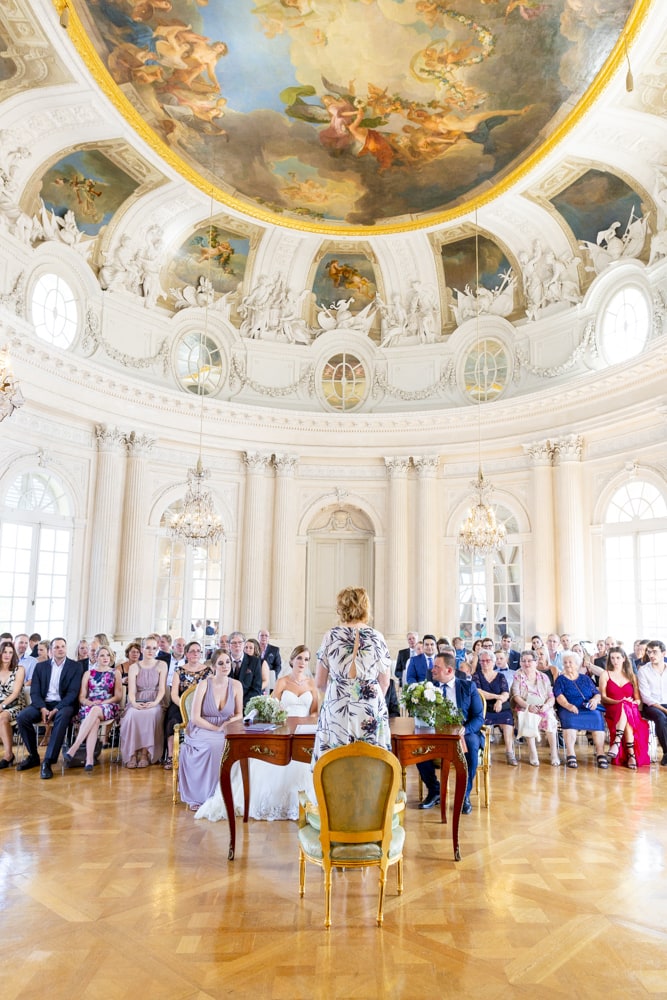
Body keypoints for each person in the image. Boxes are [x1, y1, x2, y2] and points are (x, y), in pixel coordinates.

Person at [313, 586, 391, 766]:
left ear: (342, 608)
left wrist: (338, 691)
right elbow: (385, 683)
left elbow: (319, 682)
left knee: (334, 763)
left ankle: (334, 795)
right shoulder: (377, 637)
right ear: (366, 608)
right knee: (370, 763)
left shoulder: (331, 636)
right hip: (370, 705)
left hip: (337, 704)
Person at [417, 651, 485, 814]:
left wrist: (466, 729)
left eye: (436, 667)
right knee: (417, 747)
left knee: (472, 744)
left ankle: (464, 795)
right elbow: (421, 715)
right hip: (436, 733)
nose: (432, 670)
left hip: (463, 732)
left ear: (449, 670)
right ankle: (434, 791)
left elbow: (478, 717)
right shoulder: (428, 688)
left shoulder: (468, 687)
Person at [179, 649, 243, 811]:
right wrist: (216, 728)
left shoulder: (236, 685)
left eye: (227, 662)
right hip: (203, 727)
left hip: (226, 728)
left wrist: (228, 723)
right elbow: (195, 718)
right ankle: (204, 795)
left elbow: (239, 714)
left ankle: (227, 793)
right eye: (220, 663)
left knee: (233, 746)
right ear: (213, 666)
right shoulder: (203, 685)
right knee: (212, 747)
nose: (225, 666)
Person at [16, 637, 83, 778]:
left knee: (62, 716)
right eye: (57, 647)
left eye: (63, 646)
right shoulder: (41, 666)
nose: (60, 649)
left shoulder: (76, 666)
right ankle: (33, 756)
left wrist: (56, 709)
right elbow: (34, 691)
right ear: (51, 650)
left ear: (66, 648)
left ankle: (48, 761)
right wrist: (42, 708)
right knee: (22, 717)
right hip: (43, 704)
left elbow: (73, 693)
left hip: (64, 705)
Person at [64, 645, 122, 771]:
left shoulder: (115, 672)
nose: (105, 658)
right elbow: (82, 697)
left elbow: (118, 697)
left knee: (95, 711)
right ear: (96, 657)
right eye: (102, 655)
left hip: (109, 705)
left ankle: (75, 747)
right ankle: (89, 759)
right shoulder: (88, 673)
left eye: (108, 655)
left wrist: (102, 703)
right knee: (94, 720)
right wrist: (90, 703)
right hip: (90, 707)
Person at [553, 651, 608, 769]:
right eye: (565, 662)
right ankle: (571, 753)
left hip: (587, 707)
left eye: (570, 662)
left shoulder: (585, 679)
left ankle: (600, 753)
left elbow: (596, 693)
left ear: (577, 664)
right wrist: (568, 706)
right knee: (570, 720)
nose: (567, 665)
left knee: (597, 717)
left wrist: (594, 700)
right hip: (569, 708)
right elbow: (558, 695)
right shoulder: (560, 679)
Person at [163, 640, 211, 770]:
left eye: (198, 651)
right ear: (186, 654)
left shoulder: (208, 671)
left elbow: (209, 693)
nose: (195, 653)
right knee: (172, 720)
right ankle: (171, 756)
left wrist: (196, 707)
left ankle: (199, 755)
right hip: (180, 704)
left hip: (201, 705)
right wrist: (184, 706)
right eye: (192, 651)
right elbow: (174, 694)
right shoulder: (179, 671)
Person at [120, 635, 167, 768]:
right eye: (147, 648)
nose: (150, 651)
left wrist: (154, 703)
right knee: (132, 715)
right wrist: (134, 704)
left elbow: (162, 690)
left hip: (155, 700)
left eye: (154, 648)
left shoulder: (162, 665)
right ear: (142, 649)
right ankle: (132, 754)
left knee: (150, 714)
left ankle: (145, 754)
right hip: (137, 699)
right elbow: (132, 691)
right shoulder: (134, 667)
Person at [599, 646, 650, 769]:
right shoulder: (605, 674)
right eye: (612, 658)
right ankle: (631, 754)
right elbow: (603, 697)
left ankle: (617, 742)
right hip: (612, 708)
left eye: (617, 658)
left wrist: (633, 702)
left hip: (630, 709)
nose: (615, 661)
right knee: (623, 705)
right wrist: (619, 701)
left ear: (624, 659)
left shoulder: (632, 676)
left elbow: (638, 699)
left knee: (626, 707)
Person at [511, 650, 560, 767]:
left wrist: (547, 706)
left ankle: (554, 754)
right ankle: (533, 753)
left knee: (549, 719)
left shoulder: (544, 677)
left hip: (543, 706)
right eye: (523, 661)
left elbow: (551, 696)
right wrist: (528, 706)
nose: (526, 663)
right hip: (525, 706)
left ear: (536, 662)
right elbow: (516, 696)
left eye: (529, 661)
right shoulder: (517, 676)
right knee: (529, 717)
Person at [473, 650, 517, 765]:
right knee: (481, 721)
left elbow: (506, 693)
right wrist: (498, 696)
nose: (485, 663)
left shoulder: (500, 676)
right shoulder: (476, 676)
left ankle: (509, 752)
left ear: (493, 662)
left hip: (500, 706)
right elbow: (479, 692)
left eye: (488, 660)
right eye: (482, 661)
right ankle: (485, 752)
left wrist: (499, 701)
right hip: (483, 707)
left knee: (508, 720)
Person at [637, 640, 667, 766]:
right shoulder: (643, 671)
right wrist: (664, 710)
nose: (651, 655)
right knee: (661, 717)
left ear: (664, 653)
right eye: (649, 652)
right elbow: (646, 698)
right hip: (651, 706)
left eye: (655, 651)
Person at [0, 640, 25, 768]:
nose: (7, 655)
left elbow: (15, 693)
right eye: (4, 652)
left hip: (15, 704)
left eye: (10, 652)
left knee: (2, 717)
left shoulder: (19, 669)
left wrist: (2, 706)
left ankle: (8, 755)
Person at [228, 631, 263, 707]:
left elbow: (256, 688)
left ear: (244, 644)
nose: (237, 645)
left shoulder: (254, 661)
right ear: (229, 645)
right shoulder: (224, 660)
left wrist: (241, 703)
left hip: (247, 704)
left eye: (240, 642)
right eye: (234, 643)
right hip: (226, 704)